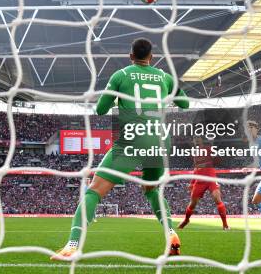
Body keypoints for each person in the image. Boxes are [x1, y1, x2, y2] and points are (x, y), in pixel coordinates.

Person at [52, 38, 189, 260]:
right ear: (151, 57)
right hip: (160, 140)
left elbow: (100, 109)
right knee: (152, 189)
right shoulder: (165, 77)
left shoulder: (121, 75)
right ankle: (171, 233)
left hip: (132, 139)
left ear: (130, 56)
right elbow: (185, 104)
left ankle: (72, 245)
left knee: (94, 191)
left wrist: (119, 101)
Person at [178, 136, 229, 230]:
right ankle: (186, 220)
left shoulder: (208, 148)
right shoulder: (195, 153)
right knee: (192, 204)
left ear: (202, 140)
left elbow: (218, 159)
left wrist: (214, 157)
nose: (196, 139)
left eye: (198, 138)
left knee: (217, 198)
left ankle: (225, 224)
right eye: (194, 138)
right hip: (199, 180)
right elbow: (196, 168)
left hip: (210, 178)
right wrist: (192, 182)